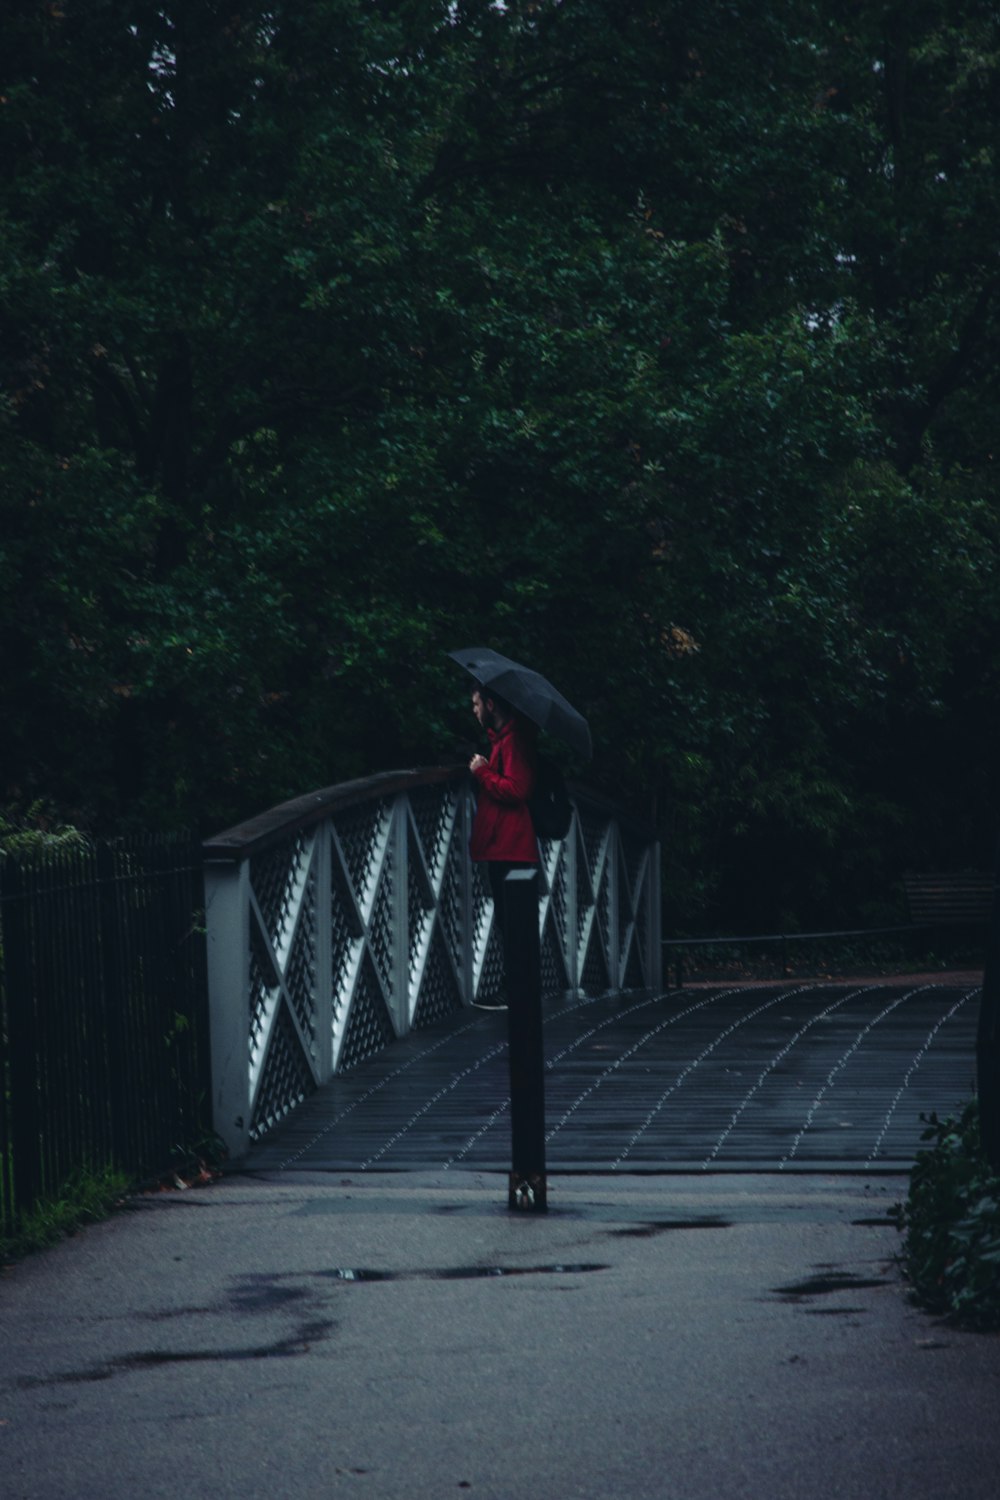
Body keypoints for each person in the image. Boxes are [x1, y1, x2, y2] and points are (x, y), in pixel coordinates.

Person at [467, 683, 539, 1007]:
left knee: (513, 924)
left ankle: (515, 991)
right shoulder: (502, 741)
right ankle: (515, 989)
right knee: (509, 922)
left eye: (476, 703)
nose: (474, 710)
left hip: (512, 845)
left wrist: (482, 773)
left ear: (491, 705)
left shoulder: (514, 741)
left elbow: (516, 789)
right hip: (504, 844)